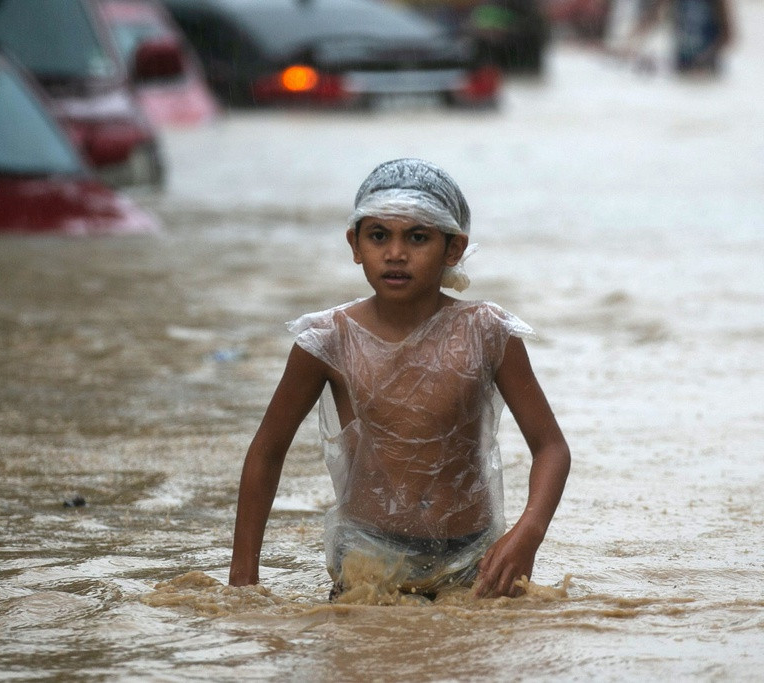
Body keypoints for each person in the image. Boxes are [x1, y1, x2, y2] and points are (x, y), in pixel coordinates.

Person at [228, 158, 571, 600]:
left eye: (417, 237)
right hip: (370, 558)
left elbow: (551, 447)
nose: (395, 253)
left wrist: (528, 532)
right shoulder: (329, 340)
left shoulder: (486, 332)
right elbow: (267, 452)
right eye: (378, 236)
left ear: (454, 249)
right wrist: (242, 579)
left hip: (477, 559)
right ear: (354, 244)